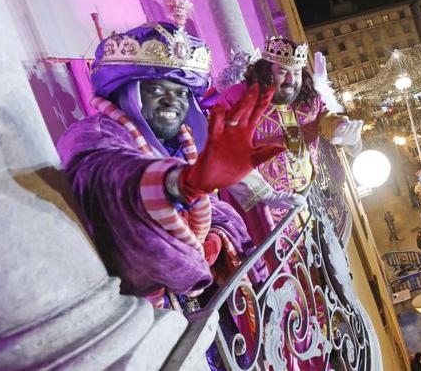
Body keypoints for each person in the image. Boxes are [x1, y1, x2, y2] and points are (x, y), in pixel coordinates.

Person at [58, 19, 282, 338]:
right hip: (138, 325)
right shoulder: (93, 135)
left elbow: (212, 209)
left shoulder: (177, 141)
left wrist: (216, 236)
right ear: (126, 91)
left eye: (180, 92)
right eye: (155, 89)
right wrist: (181, 183)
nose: (172, 101)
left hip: (198, 312)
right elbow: (113, 178)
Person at [218, 37, 363, 246]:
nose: (290, 80)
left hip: (305, 205)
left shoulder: (307, 98)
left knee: (310, 263)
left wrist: (343, 130)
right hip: (261, 211)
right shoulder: (238, 99)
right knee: (277, 269)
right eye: (283, 72)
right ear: (267, 70)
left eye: (296, 73)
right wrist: (266, 194)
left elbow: (325, 118)